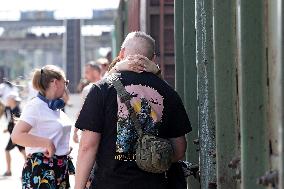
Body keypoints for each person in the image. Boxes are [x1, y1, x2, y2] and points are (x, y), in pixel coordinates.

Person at [74, 31, 191, 189]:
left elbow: (87, 146)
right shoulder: (169, 92)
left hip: (109, 183)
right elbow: (179, 150)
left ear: (121, 53)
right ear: (153, 59)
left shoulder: (101, 89)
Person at [11, 65, 75, 189]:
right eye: (65, 82)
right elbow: (16, 136)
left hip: (59, 168)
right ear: (55, 82)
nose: (66, 86)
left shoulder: (53, 107)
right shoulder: (35, 106)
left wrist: (63, 145)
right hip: (42, 170)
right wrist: (47, 143)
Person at [73, 61, 102, 143]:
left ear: (96, 72)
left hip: (91, 130)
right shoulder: (110, 85)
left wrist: (75, 131)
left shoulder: (88, 89)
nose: (85, 75)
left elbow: (82, 111)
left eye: (87, 72)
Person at [3, 91, 26, 176]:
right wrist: (7, 129)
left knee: (7, 150)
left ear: (12, 100)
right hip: (14, 135)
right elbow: (11, 122)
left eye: (8, 99)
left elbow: (19, 124)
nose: (7, 101)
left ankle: (9, 171)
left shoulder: (17, 110)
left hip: (15, 136)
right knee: (23, 152)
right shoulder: (10, 109)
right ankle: (29, 170)